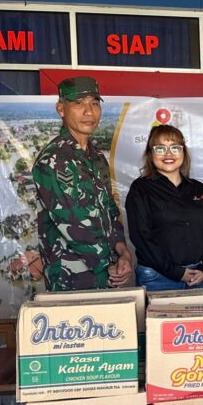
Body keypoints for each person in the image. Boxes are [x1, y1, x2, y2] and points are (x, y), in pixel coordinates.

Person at [32, 76, 132, 291]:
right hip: (72, 277)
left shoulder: (97, 157)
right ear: (61, 109)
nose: (89, 112)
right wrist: (107, 265)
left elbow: (109, 209)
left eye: (94, 103)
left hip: (109, 272)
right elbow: (71, 220)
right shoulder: (54, 159)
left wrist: (122, 251)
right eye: (79, 104)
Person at [125, 124, 203, 291]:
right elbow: (141, 237)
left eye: (175, 148)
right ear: (150, 154)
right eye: (160, 148)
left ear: (183, 152)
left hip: (196, 276)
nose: (168, 154)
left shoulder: (199, 189)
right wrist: (176, 272)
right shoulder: (141, 188)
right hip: (157, 278)